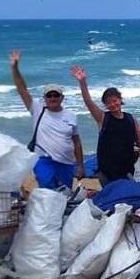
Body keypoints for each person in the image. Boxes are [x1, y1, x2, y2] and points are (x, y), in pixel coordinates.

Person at [10, 50, 84, 189]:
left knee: (64, 194)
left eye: (56, 95)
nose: (53, 98)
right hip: (44, 160)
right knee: (48, 190)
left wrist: (80, 165)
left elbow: (77, 142)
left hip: (66, 163)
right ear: (45, 99)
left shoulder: (71, 116)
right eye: (49, 96)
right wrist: (15, 67)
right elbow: (22, 89)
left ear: (62, 98)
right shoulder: (37, 110)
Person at [71, 65, 140, 187]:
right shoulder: (103, 118)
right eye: (108, 103)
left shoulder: (131, 119)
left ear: (121, 100)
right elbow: (89, 102)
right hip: (107, 171)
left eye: (115, 100)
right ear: (105, 105)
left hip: (127, 169)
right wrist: (82, 82)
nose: (113, 104)